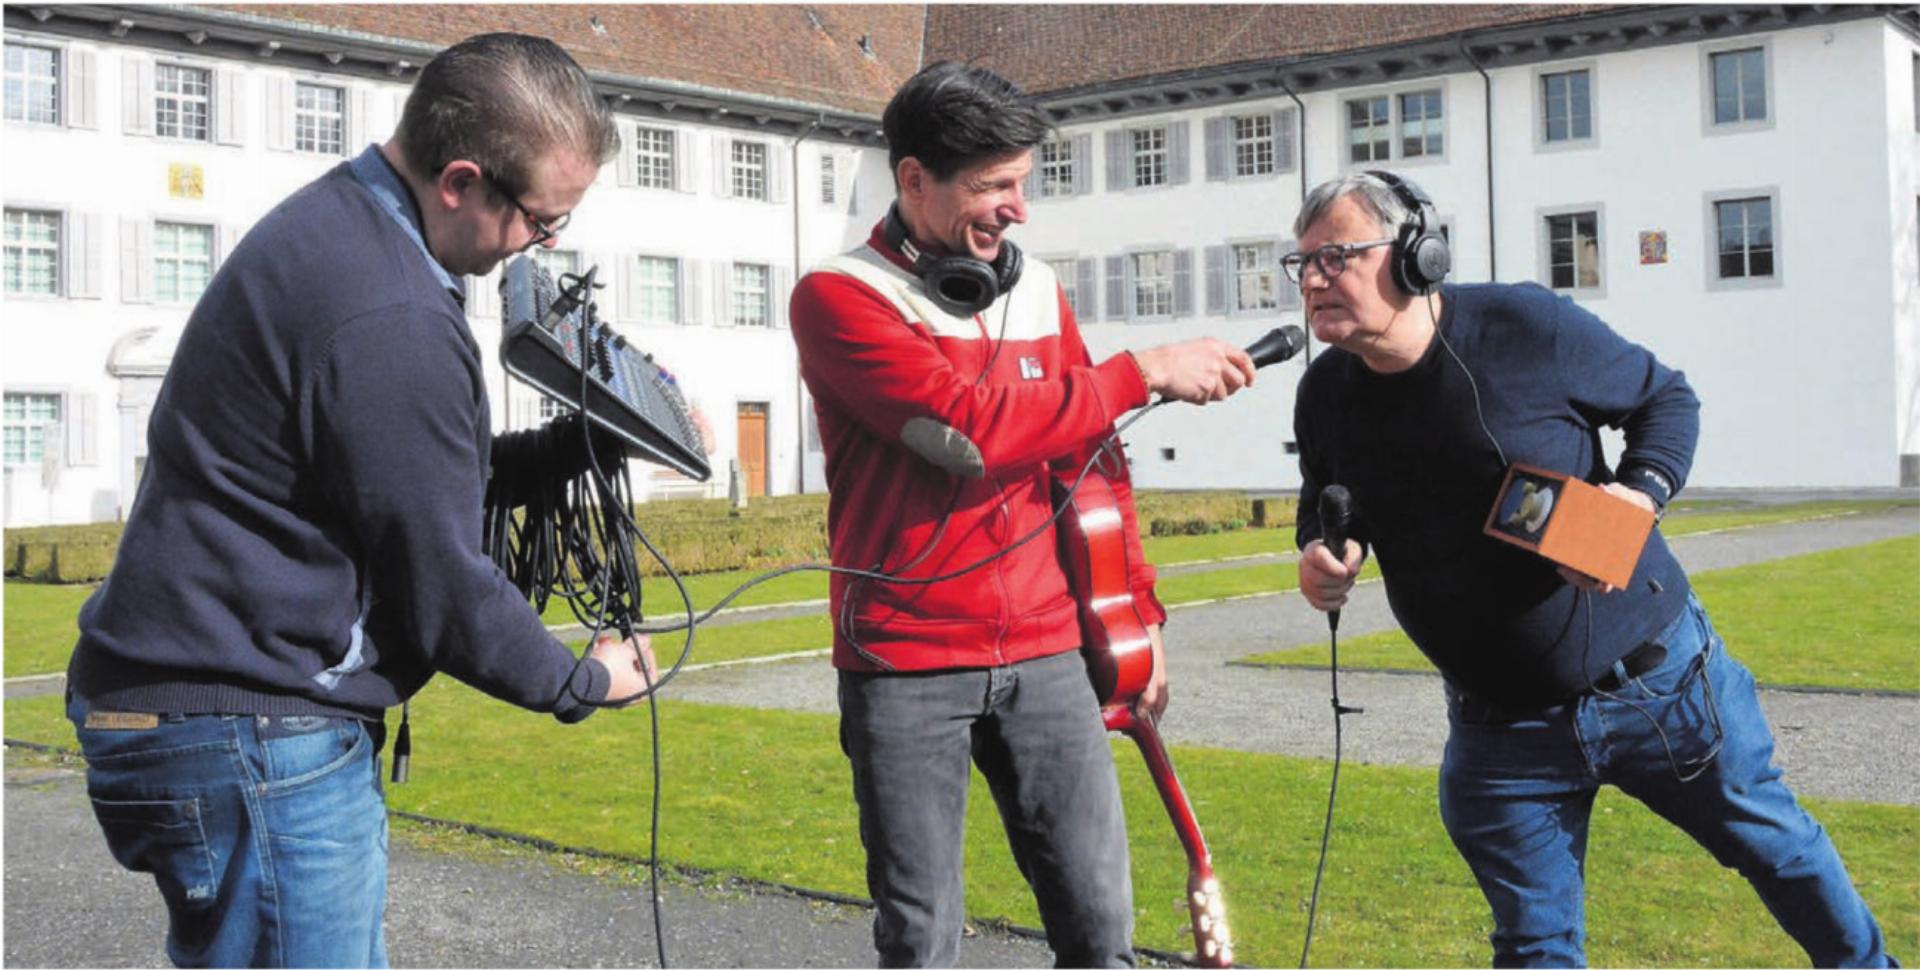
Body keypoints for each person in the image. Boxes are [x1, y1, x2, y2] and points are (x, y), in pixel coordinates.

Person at [65, 33, 658, 969]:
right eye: (541, 221)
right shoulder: (391, 310)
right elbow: (441, 582)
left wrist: (560, 454)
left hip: (201, 711)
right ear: (461, 181)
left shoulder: (340, 229)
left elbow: (382, 476)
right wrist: (587, 681)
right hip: (250, 723)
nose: (537, 247)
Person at [1288, 171, 1894, 968]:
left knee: (1781, 853)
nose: (1312, 281)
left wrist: (1637, 497)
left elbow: (1666, 400)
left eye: (1335, 257)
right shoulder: (1323, 394)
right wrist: (1322, 553)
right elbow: (1327, 500)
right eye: (1301, 264)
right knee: (1535, 946)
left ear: (1414, 255)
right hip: (1498, 732)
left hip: (1659, 687)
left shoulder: (1526, 325)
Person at [787, 61, 1255, 968]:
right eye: (994, 185)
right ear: (914, 178)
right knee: (921, 938)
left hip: (1046, 656)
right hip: (905, 659)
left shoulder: (1033, 288)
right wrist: (1141, 372)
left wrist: (1138, 615)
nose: (1019, 210)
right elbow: (963, 432)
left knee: (1101, 930)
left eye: (1023, 183)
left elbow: (1090, 466)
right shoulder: (838, 296)